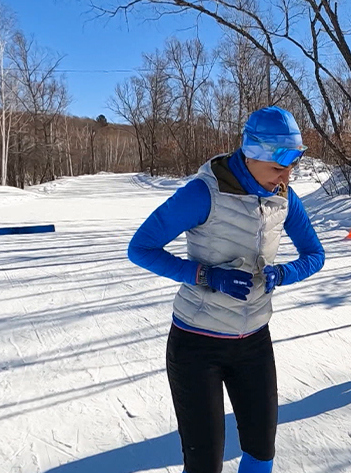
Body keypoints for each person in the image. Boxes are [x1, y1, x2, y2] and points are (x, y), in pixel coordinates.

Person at [127, 106, 325, 473]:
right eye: (278, 168)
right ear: (251, 154)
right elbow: (140, 249)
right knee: (205, 464)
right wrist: (206, 275)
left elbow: (315, 254)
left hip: (253, 343)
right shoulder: (203, 194)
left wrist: (285, 273)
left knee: (261, 453)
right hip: (196, 345)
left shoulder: (284, 197)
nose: (285, 177)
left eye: (291, 167)